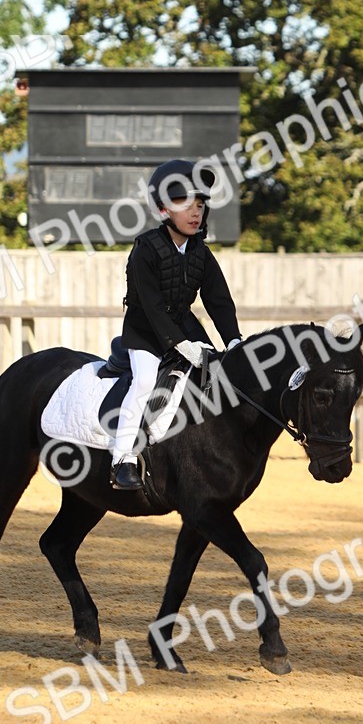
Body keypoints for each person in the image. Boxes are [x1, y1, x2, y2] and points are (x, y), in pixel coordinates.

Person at [110, 158, 243, 490]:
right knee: (143, 383)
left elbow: (219, 301)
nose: (196, 211)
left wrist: (235, 341)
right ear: (163, 209)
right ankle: (123, 459)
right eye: (185, 203)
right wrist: (180, 345)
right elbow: (153, 308)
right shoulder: (145, 250)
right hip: (145, 333)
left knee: (218, 379)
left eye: (200, 204)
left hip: (186, 327)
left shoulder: (201, 253)